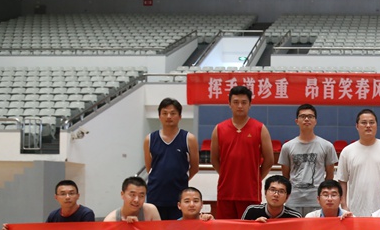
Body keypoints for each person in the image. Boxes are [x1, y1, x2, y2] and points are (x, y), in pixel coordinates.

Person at [211, 85, 274, 219]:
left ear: (250, 105)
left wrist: (256, 178)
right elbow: (214, 159)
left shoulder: (260, 128)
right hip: (226, 192)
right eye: (236, 102)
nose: (240, 106)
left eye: (244, 102)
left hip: (250, 192)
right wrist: (227, 175)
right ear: (229, 104)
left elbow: (269, 161)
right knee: (225, 229)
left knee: (250, 229)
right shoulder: (219, 129)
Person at [144, 98, 199, 220]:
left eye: (173, 113)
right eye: (165, 113)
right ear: (159, 116)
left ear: (180, 116)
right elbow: (149, 168)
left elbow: (195, 167)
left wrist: (180, 178)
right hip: (155, 195)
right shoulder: (150, 139)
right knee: (156, 229)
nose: (169, 116)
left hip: (179, 195)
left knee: (178, 229)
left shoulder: (189, 138)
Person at [337, 109, 380, 217]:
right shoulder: (347, 151)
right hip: (356, 211)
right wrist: (344, 205)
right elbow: (342, 181)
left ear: (376, 125)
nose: (368, 126)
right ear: (357, 126)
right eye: (364, 123)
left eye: (372, 122)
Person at [278, 104, 338, 216]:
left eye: (310, 116)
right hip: (294, 200)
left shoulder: (327, 146)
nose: (306, 119)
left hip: (317, 200)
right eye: (303, 116)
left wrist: (322, 194)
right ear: (297, 121)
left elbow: (330, 175)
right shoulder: (287, 147)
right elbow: (285, 176)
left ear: (315, 121)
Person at [1, 179, 95, 230]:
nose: (67, 197)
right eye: (63, 194)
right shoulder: (53, 215)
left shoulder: (86, 214)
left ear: (78, 196)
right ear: (56, 197)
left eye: (71, 193)